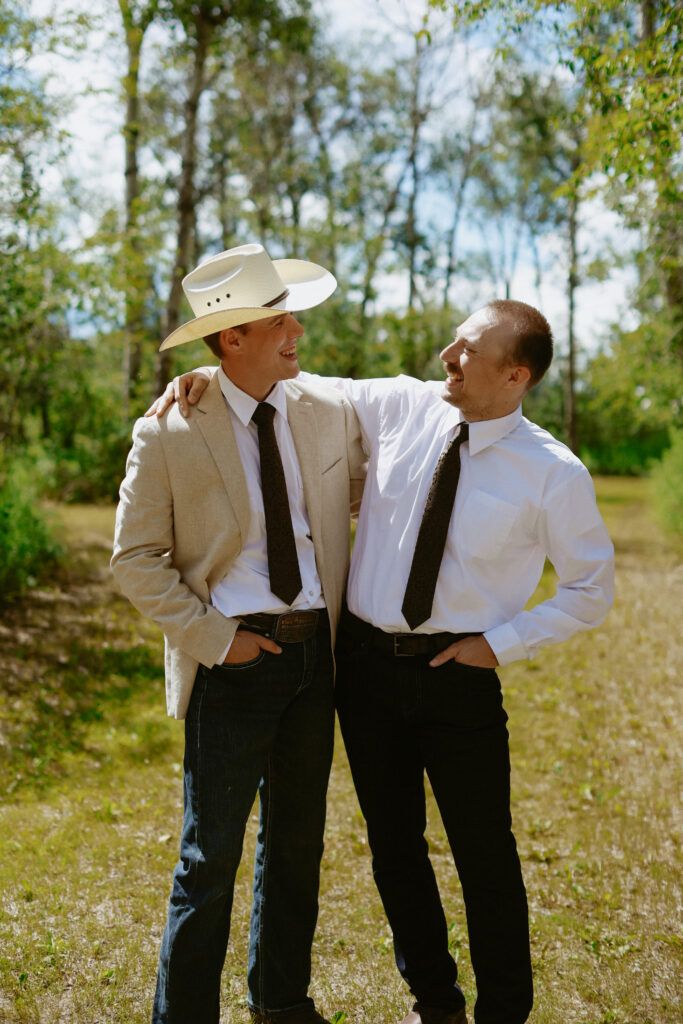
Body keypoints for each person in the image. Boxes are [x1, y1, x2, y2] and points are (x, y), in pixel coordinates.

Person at [151, 298, 614, 1024]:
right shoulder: (402, 403)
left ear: (515, 375)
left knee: (483, 856)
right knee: (394, 851)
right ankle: (436, 1004)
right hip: (361, 671)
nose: (446, 358)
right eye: (452, 342)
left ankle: (502, 1012)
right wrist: (203, 377)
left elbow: (591, 589)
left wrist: (499, 645)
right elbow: (284, 383)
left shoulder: (552, 472)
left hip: (459, 677)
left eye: (466, 350)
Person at [111, 242, 366, 1024]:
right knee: (208, 857)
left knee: (296, 848)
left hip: (314, 656)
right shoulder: (170, 429)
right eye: (277, 319)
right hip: (234, 660)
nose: (295, 329)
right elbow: (135, 561)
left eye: (290, 313)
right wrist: (219, 641)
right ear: (231, 340)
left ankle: (281, 1003)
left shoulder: (326, 413)